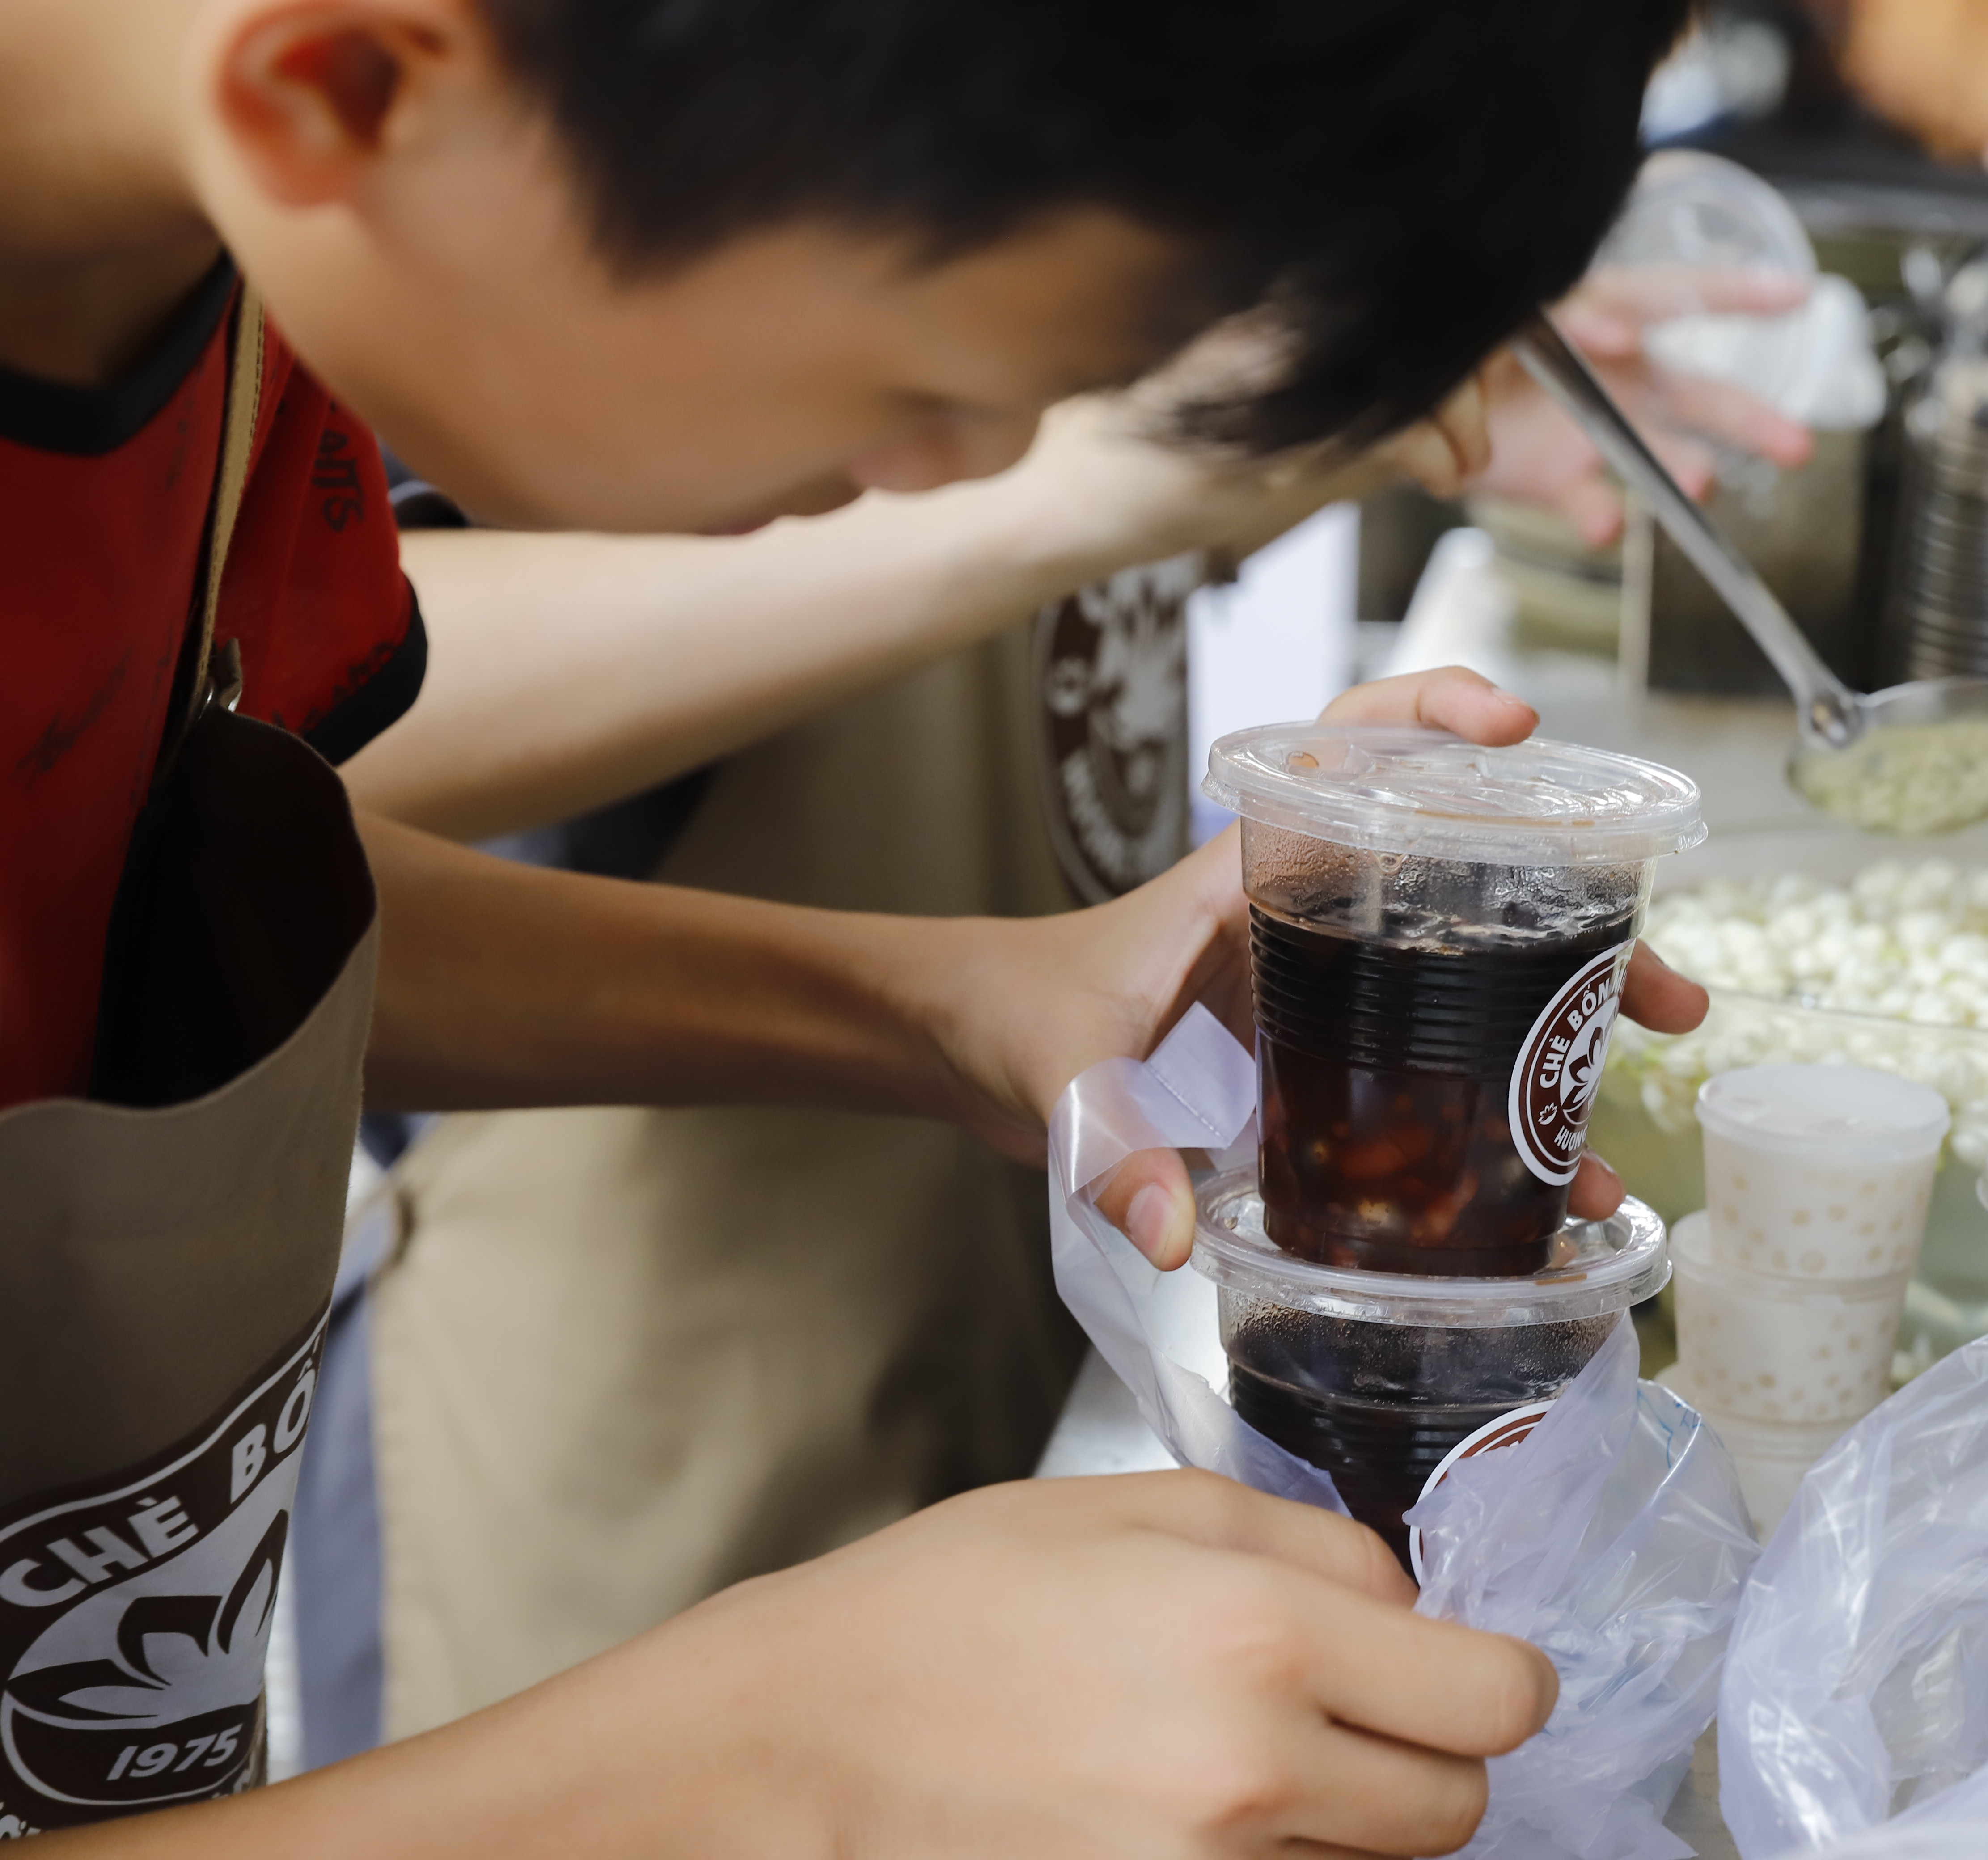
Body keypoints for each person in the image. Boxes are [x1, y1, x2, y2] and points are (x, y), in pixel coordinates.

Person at [0, 0, 1707, 1849]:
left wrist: (950, 1002)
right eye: (923, 389)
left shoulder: (205, 300)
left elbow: (127, 888)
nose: (973, 470)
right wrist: (768, 1755)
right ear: (345, 90)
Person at [294, 268, 1810, 1759]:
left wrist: (1336, 405)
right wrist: (1111, 472)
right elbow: (315, 714)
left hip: (993, 1318)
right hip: (651, 1439)